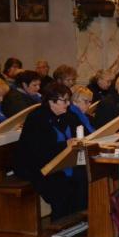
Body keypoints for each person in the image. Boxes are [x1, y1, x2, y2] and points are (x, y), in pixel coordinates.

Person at [14, 83, 88, 220]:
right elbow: (37, 150)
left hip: (64, 162)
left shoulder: (69, 115)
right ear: (51, 101)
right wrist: (65, 145)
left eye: (68, 100)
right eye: (64, 101)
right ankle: (60, 222)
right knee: (60, 186)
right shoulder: (37, 118)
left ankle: (79, 221)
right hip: (40, 166)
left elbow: (85, 133)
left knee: (84, 178)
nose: (68, 104)